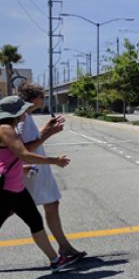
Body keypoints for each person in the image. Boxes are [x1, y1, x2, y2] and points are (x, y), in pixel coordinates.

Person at [0, 96, 78, 272]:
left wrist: (22, 167)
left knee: (35, 221)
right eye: (23, 110)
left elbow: (11, 156)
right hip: (6, 190)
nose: (25, 113)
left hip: (17, 188)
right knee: (34, 221)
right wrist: (54, 160)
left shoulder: (9, 128)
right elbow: (24, 153)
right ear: (16, 113)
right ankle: (56, 259)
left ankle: (56, 260)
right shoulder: (5, 129)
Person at [18, 83, 86, 258]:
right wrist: (50, 133)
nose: (43, 99)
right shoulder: (22, 118)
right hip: (32, 170)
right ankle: (64, 248)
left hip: (36, 169)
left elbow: (31, 139)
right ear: (33, 99)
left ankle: (65, 247)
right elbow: (22, 149)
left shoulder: (26, 116)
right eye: (41, 96)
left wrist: (46, 129)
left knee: (51, 203)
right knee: (14, 208)